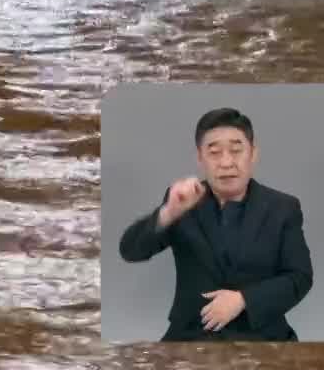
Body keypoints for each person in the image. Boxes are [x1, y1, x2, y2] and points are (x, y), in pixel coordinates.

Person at [118, 107, 313, 341]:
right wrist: (168, 212)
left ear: (253, 153)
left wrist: (243, 300)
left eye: (236, 150)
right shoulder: (183, 200)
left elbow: (300, 277)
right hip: (191, 335)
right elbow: (130, 251)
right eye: (214, 153)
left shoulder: (283, 207)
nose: (226, 162)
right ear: (200, 158)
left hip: (262, 336)